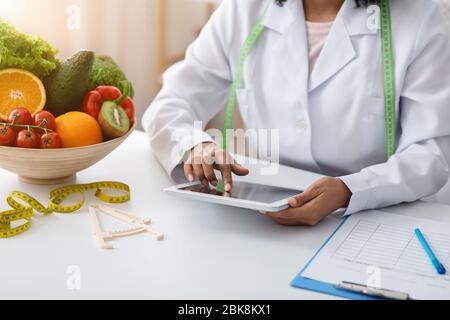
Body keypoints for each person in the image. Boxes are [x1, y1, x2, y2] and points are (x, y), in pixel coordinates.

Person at [143, 0, 450, 225]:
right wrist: (195, 144)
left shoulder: (419, 19)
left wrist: (350, 190)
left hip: (373, 215)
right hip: (264, 217)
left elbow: (432, 152)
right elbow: (171, 104)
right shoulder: (242, 10)